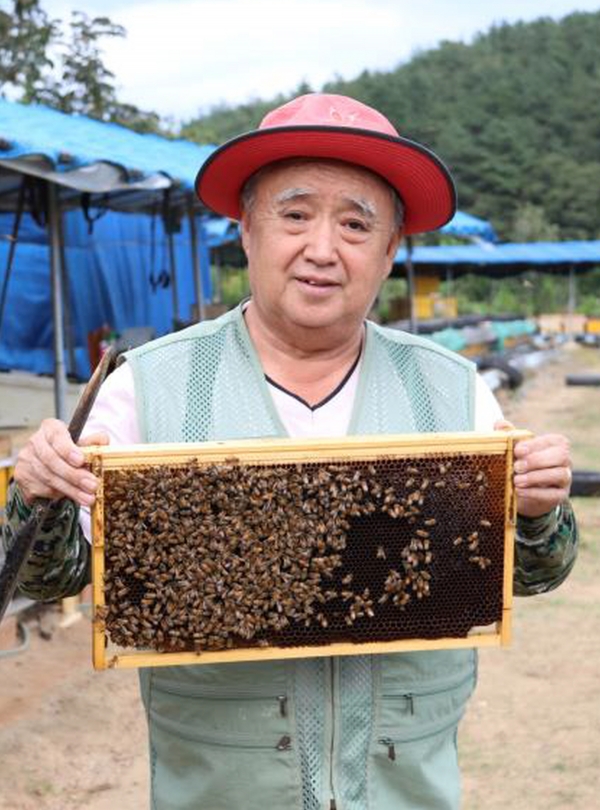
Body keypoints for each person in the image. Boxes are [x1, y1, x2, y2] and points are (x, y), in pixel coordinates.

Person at [4, 93, 576, 810]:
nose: (322, 249)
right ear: (244, 230)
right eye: (295, 215)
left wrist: (536, 509)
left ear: (390, 250)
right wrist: (40, 495)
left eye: (356, 224)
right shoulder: (146, 388)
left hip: (402, 785)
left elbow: (528, 576)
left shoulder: (452, 387)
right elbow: (51, 576)